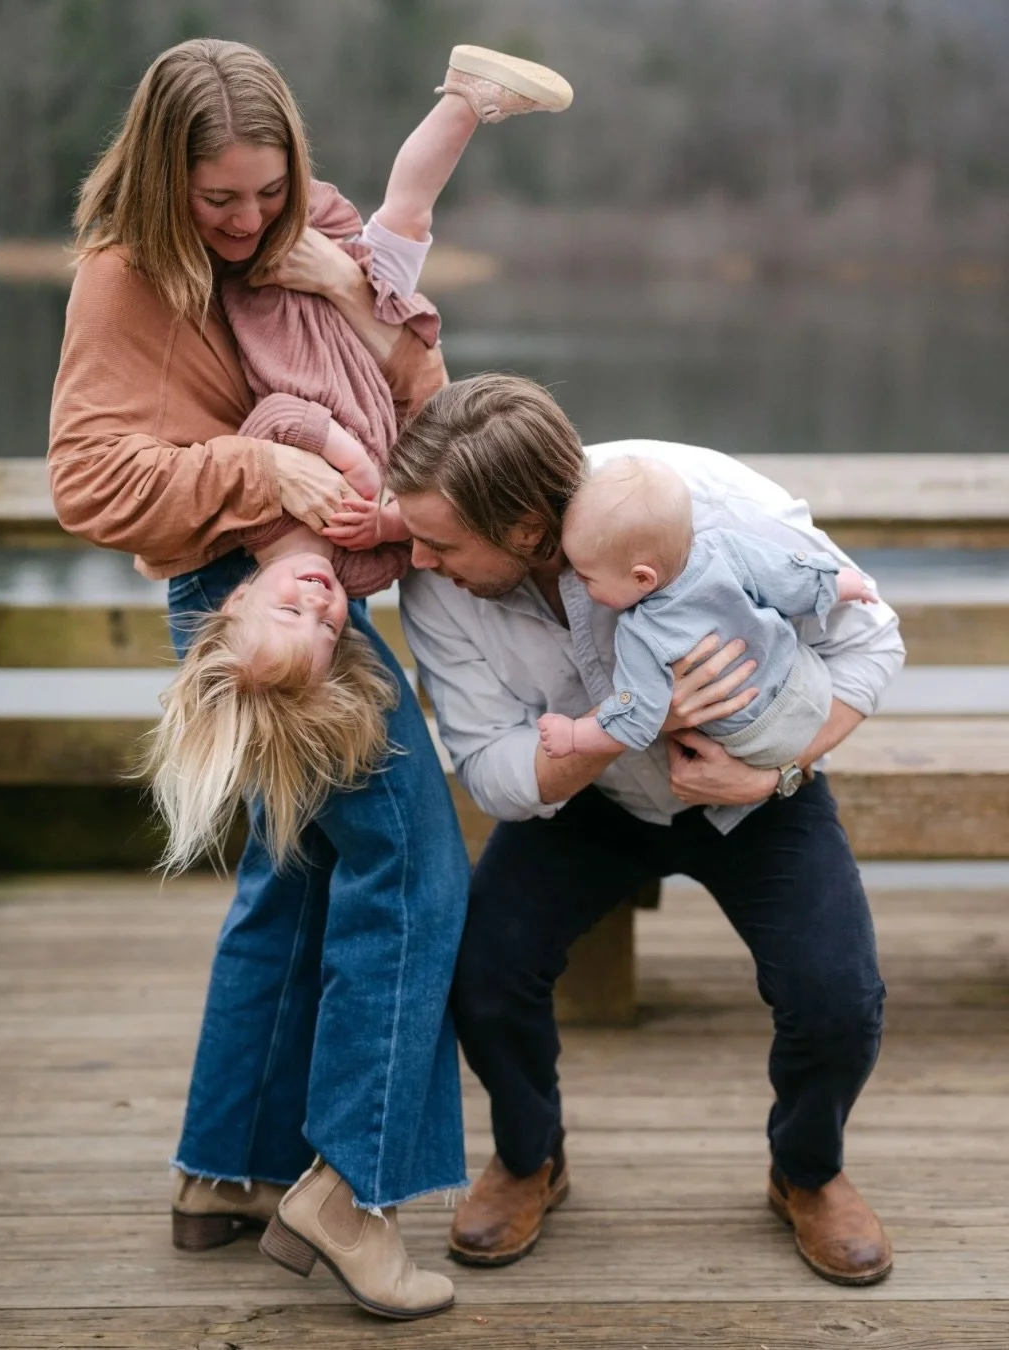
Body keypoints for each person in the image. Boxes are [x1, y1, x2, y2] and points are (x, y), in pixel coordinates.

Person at [46, 37, 568, 1321]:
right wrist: (254, 470)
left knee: (307, 867)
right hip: (251, 604)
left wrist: (343, 281)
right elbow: (86, 480)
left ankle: (225, 1171)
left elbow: (421, 406)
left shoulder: (314, 226)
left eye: (264, 193)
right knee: (412, 858)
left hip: (322, 581)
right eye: (215, 200)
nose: (244, 221)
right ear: (163, 177)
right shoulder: (124, 275)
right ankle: (351, 1192)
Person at [388, 373, 904, 1286]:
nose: (419, 561)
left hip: (753, 792)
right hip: (587, 803)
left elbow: (869, 641)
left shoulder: (698, 500)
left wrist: (774, 770)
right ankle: (529, 1154)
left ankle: (807, 1170)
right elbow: (495, 771)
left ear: (522, 529)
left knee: (839, 1001)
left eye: (439, 541)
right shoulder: (439, 591)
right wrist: (633, 729)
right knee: (484, 974)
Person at [144, 45, 573, 873]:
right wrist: (383, 512)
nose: (318, 605)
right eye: (324, 629)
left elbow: (274, 415)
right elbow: (412, 527)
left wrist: (342, 452)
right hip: (373, 358)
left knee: (392, 217)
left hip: (299, 323)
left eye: (287, 613)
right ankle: (467, 102)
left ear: (230, 604)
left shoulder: (261, 514)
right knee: (409, 213)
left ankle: (460, 93)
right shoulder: (365, 580)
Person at [537, 455, 877, 772]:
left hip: (757, 740)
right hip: (810, 681)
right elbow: (788, 579)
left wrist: (575, 734)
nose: (580, 586)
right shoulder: (723, 549)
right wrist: (839, 583)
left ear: (642, 577)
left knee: (687, 748)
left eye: (586, 577)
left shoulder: (640, 633)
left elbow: (636, 718)